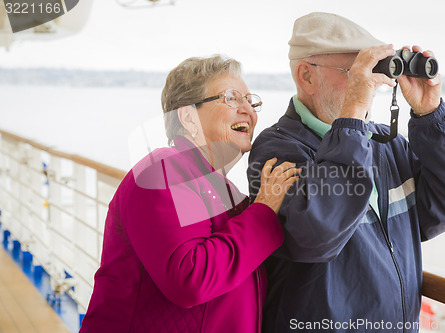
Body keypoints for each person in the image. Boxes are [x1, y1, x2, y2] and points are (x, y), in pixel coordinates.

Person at [247, 12, 445, 333]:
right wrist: (355, 110)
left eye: (372, 70)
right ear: (306, 76)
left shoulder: (386, 145)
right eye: (354, 71)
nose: (370, 83)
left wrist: (430, 114)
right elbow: (317, 237)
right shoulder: (277, 150)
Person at [80, 55, 301, 333]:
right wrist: (264, 211)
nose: (248, 110)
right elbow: (190, 280)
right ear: (188, 117)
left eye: (251, 101)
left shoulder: (224, 192)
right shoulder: (162, 170)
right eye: (232, 99)